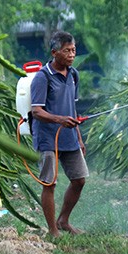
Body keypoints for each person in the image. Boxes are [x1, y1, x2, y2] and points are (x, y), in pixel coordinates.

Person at [30, 30, 89, 237]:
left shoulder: (73, 75)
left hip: (69, 138)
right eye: (67, 51)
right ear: (55, 52)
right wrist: (59, 120)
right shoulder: (42, 77)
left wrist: (79, 138)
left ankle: (63, 220)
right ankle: (52, 231)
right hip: (47, 140)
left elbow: (73, 109)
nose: (72, 54)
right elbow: (36, 111)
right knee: (49, 184)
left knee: (79, 180)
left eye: (74, 50)